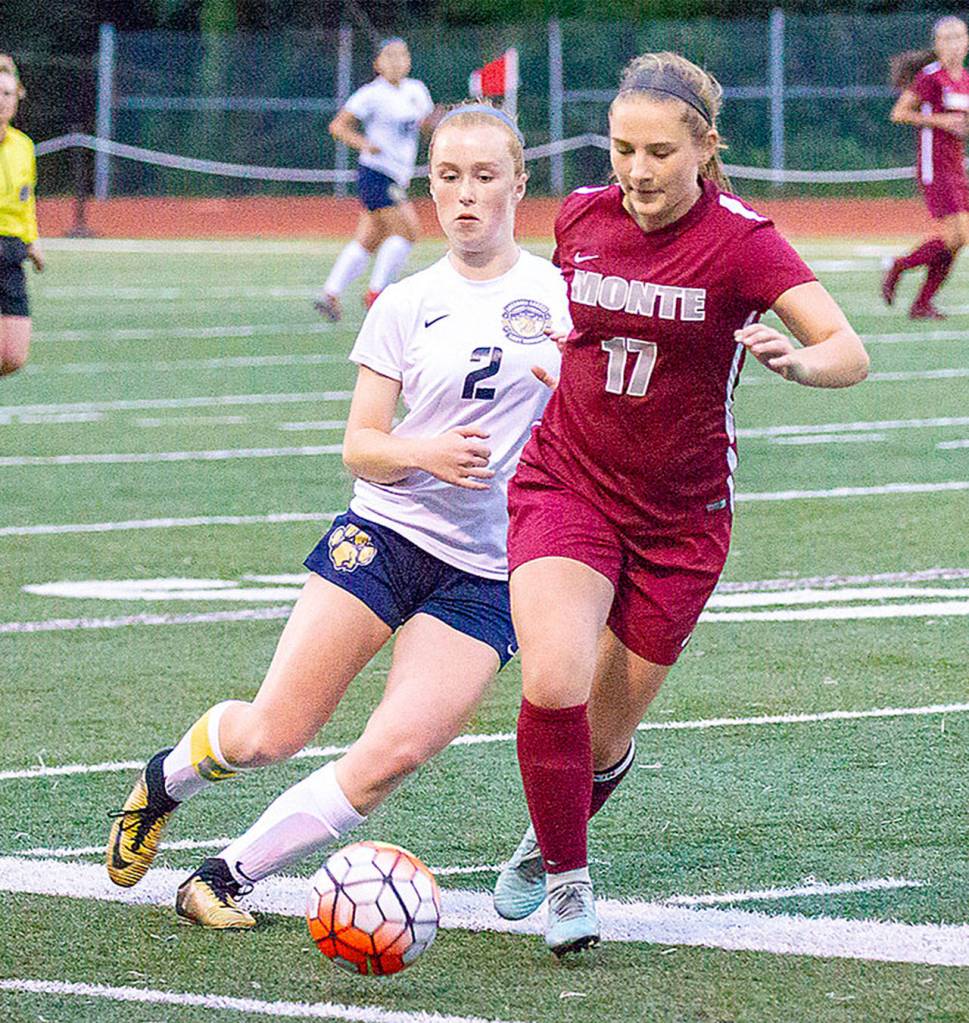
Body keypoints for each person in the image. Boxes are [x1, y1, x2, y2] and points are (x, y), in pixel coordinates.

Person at [105, 102, 569, 928]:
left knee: (393, 754)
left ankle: (225, 875)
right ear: (429, 185)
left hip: (490, 572)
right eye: (448, 177)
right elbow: (359, 446)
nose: (465, 195)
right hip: (383, 536)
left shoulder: (562, 297)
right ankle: (162, 782)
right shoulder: (405, 301)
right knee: (271, 731)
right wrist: (423, 452)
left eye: (485, 176)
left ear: (519, 183)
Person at [491, 51, 870, 957]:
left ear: (704, 146)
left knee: (606, 733)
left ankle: (552, 829)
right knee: (552, 678)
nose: (636, 169)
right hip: (567, 482)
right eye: (622, 147)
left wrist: (797, 360)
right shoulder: (579, 216)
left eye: (659, 151)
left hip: (681, 518)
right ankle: (570, 880)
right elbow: (579, 323)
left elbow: (848, 351)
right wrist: (557, 350)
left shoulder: (743, 239)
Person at [315, 37, 435, 321]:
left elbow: (427, 124)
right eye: (389, 56)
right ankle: (376, 294)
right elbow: (338, 126)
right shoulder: (371, 94)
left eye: (402, 55)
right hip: (377, 173)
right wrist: (364, 143)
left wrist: (438, 121)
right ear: (377, 63)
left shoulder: (417, 90)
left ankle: (329, 294)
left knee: (369, 239)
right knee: (407, 231)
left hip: (398, 175)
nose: (396, 61)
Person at [883, 17, 969, 320]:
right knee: (957, 236)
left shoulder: (966, 80)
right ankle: (900, 265)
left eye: (958, 37)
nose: (953, 45)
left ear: (967, 42)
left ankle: (922, 304)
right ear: (937, 45)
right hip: (935, 167)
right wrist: (939, 120)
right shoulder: (931, 77)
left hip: (957, 168)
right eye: (946, 39)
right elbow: (899, 113)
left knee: (958, 240)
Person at [0, 54, 44, 375]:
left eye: (7, 94)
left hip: (11, 253)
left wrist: (32, 242)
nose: (2, 101)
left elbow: (26, 201)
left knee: (13, 356)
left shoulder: (23, 146)